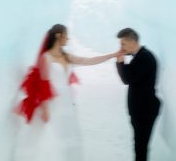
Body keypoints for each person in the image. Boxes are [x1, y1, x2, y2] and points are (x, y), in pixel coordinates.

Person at [14, 24, 123, 161]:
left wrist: (112, 55)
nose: (68, 39)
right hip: (51, 103)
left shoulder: (66, 56)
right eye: (67, 35)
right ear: (59, 36)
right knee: (48, 137)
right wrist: (46, 109)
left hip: (66, 101)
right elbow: (43, 84)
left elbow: (88, 61)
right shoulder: (46, 57)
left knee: (67, 135)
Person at [115, 28, 161, 161]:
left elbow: (127, 78)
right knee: (139, 145)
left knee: (141, 147)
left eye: (123, 44)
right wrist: (121, 62)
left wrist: (120, 62)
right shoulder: (139, 56)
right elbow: (129, 76)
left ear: (133, 42)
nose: (121, 47)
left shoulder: (145, 57)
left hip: (145, 111)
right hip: (140, 111)